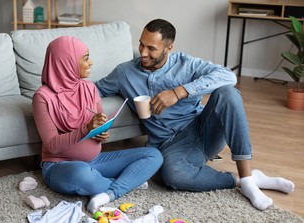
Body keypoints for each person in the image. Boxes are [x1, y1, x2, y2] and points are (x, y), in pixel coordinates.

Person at [95, 19, 294, 211]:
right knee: (172, 176)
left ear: (169, 48)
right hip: (167, 145)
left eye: (152, 48)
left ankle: (247, 176)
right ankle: (243, 180)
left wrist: (179, 92)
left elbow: (228, 76)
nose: (143, 53)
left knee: (227, 93)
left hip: (202, 131)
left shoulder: (186, 64)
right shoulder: (125, 73)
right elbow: (94, 90)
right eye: (141, 45)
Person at [32, 36, 163, 214]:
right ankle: (126, 182)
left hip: (96, 161)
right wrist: (86, 129)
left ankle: (107, 193)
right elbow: (52, 145)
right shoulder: (42, 97)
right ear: (66, 62)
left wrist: (101, 133)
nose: (91, 62)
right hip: (61, 166)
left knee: (154, 155)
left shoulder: (89, 88)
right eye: (85, 58)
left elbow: (98, 125)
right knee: (82, 174)